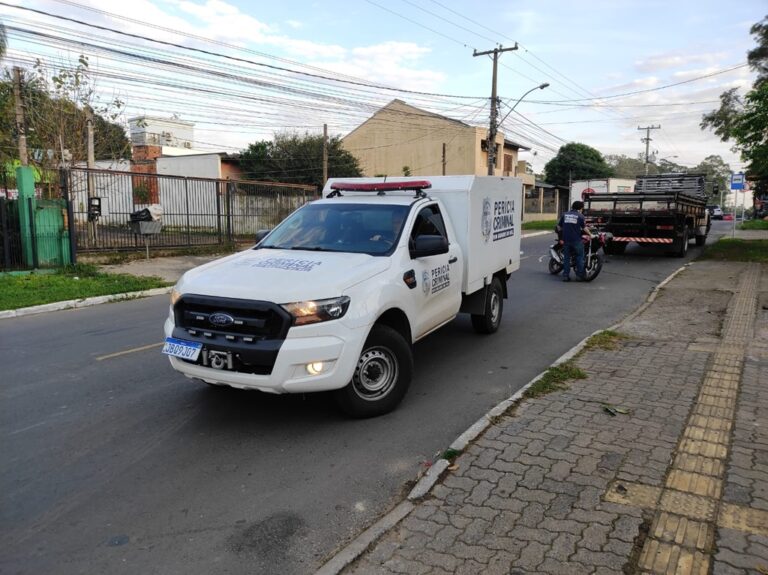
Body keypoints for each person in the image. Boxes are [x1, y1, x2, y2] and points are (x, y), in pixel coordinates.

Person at [556, 200, 588, 282]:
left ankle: (565, 276)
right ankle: (579, 276)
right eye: (582, 208)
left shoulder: (565, 214)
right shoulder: (580, 216)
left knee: (567, 258)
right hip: (576, 240)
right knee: (580, 257)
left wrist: (560, 237)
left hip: (566, 240)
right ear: (580, 208)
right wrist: (591, 234)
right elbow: (584, 228)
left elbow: (559, 227)